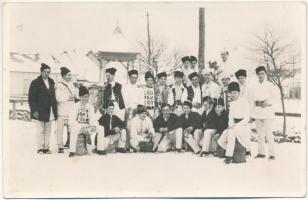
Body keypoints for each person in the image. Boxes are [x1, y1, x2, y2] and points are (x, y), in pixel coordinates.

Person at [217, 82, 251, 164]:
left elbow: (247, 118)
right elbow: (230, 118)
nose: (233, 95)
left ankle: (228, 156)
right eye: (231, 93)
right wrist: (230, 125)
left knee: (231, 133)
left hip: (243, 126)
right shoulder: (231, 104)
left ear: (239, 93)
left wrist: (236, 125)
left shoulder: (244, 102)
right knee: (221, 141)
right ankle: (233, 153)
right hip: (233, 126)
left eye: (235, 93)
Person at [28, 63, 57, 154]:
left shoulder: (52, 81)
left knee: (48, 130)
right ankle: (40, 148)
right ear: (41, 72)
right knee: (40, 130)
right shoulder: (35, 82)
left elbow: (53, 96)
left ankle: (46, 148)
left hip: (50, 110)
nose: (46, 74)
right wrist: (34, 110)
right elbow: (31, 98)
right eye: (44, 72)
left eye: (48, 72)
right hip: (40, 110)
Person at [250, 66, 277, 160]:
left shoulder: (270, 85)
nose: (261, 75)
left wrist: (268, 102)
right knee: (259, 134)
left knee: (269, 133)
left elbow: (276, 98)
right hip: (257, 111)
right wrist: (252, 114)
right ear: (256, 75)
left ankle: (272, 153)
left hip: (267, 112)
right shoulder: (253, 86)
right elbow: (252, 101)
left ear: (265, 74)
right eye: (259, 73)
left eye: (262, 73)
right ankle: (261, 152)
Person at [68, 86, 101, 157]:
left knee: (101, 128)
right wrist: (80, 127)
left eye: (86, 96)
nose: (84, 98)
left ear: (88, 97)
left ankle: (100, 149)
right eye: (82, 97)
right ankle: (72, 151)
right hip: (77, 126)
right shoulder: (74, 106)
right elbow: (71, 121)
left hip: (87, 126)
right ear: (79, 97)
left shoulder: (90, 107)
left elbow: (93, 119)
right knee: (73, 130)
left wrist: (94, 126)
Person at [55, 67, 79, 153]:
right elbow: (58, 98)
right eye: (69, 75)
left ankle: (70, 143)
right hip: (62, 110)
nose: (70, 76)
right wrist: (68, 97)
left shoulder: (72, 85)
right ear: (64, 75)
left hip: (71, 110)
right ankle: (60, 146)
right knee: (60, 130)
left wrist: (77, 89)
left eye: (71, 75)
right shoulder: (58, 85)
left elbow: (77, 96)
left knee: (71, 129)